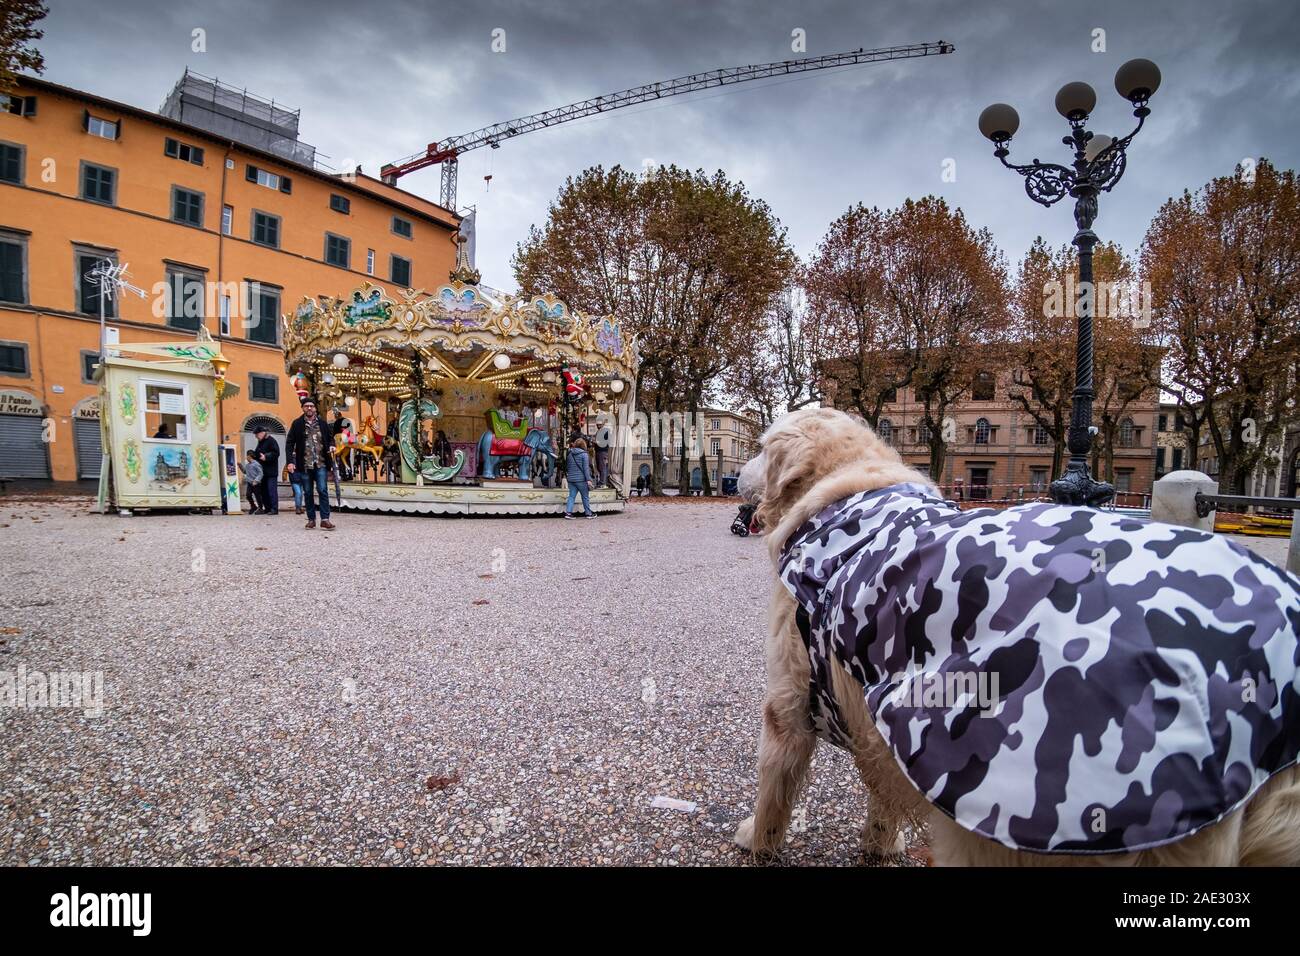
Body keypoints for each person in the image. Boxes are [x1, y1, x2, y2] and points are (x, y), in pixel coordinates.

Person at [286, 396, 336, 530]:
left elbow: (331, 438)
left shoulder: (323, 423)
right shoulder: (297, 424)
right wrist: (290, 462)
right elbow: (289, 443)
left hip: (321, 463)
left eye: (311, 406)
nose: (309, 408)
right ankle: (311, 519)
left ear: (315, 408)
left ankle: (325, 519)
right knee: (308, 492)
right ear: (302, 408)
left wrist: (332, 445)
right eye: (306, 406)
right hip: (305, 464)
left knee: (322, 490)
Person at [563, 437, 596, 519]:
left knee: (571, 496)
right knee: (585, 497)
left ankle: (568, 513)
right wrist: (588, 479)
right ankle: (588, 513)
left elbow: (568, 467)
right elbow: (586, 469)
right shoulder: (584, 455)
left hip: (571, 479)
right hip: (581, 480)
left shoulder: (570, 454)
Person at [252, 424, 280, 515]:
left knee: (271, 490)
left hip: (271, 471)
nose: (256, 437)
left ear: (262, 433)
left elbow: (276, 453)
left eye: (257, 435)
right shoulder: (261, 442)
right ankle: (267, 508)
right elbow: (257, 453)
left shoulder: (271, 441)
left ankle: (274, 509)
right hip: (262, 472)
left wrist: (266, 457)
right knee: (264, 491)